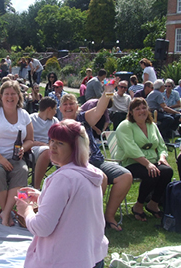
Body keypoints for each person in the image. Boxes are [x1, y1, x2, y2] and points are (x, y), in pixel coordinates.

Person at [16, 119, 107, 268]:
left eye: (60, 143)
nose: (52, 146)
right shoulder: (91, 173)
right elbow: (75, 207)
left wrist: (26, 211)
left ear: (75, 148)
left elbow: (42, 227)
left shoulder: (63, 179)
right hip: (92, 256)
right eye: (51, 140)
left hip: (65, 260)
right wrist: (42, 197)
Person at [34, 93, 132, 231]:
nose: (68, 107)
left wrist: (108, 92)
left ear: (77, 107)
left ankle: (108, 216)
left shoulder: (83, 118)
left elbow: (99, 109)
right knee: (101, 178)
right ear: (60, 108)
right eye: (65, 104)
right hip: (76, 165)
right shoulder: (59, 126)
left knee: (125, 176)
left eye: (71, 103)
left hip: (97, 161)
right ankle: (91, 218)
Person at [0, 80, 33, 226]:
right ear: (1, 96)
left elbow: (30, 140)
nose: (10, 97)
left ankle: (6, 213)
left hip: (14, 156)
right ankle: (7, 213)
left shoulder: (24, 115)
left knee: (22, 170)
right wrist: (0, 159)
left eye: (13, 94)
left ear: (19, 96)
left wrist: (23, 148)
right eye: (6, 94)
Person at [114, 98, 173, 221]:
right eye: (137, 109)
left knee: (167, 171)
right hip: (130, 162)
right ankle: (138, 206)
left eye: (144, 108)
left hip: (153, 161)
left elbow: (162, 145)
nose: (142, 111)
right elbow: (131, 149)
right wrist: (148, 164)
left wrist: (162, 157)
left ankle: (154, 203)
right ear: (131, 112)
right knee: (152, 173)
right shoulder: (125, 126)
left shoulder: (151, 125)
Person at [29, 97, 60, 189]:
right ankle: (36, 187)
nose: (55, 112)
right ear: (49, 109)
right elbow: (24, 139)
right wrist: (43, 145)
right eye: (55, 109)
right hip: (32, 148)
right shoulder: (31, 119)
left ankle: (61, 187)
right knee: (46, 151)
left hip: (50, 148)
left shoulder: (55, 121)